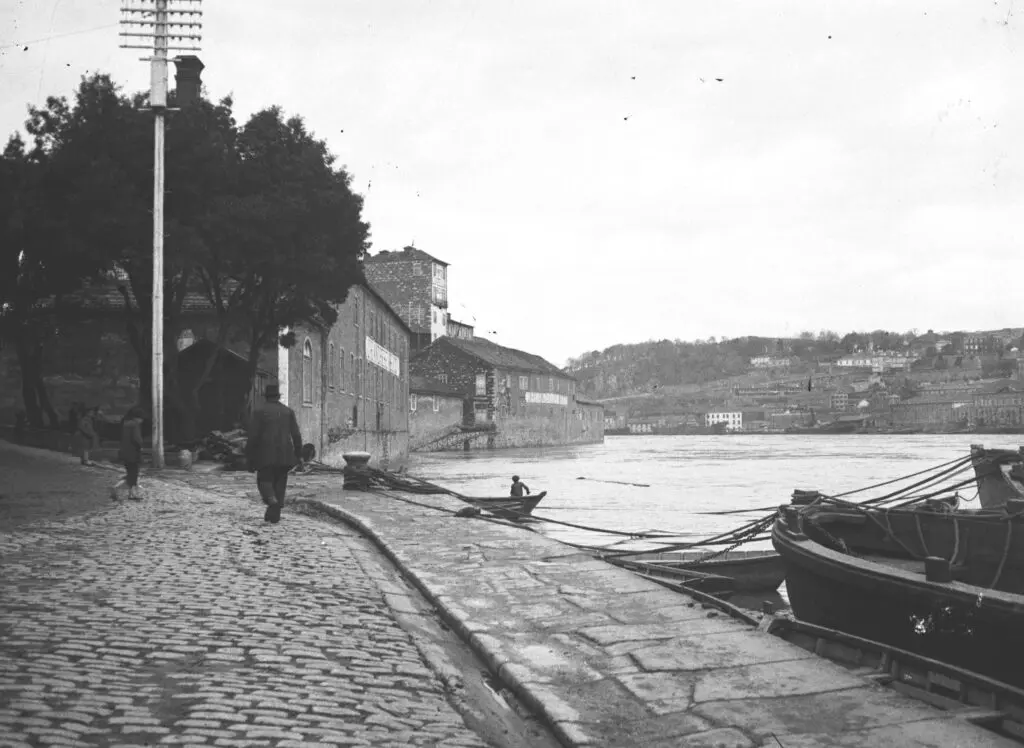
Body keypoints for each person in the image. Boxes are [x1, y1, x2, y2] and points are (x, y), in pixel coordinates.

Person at [245, 383, 303, 524]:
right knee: (280, 482)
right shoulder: (288, 411)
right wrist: (298, 454)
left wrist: (249, 456)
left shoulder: (259, 411)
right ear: (278, 397)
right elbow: (296, 435)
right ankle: (274, 513)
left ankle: (272, 502)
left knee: (264, 481)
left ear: (266, 397)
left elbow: (253, 436)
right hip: (285, 454)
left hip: (264, 454)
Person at [112, 406, 145, 500]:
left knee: (130, 472)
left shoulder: (125, 424)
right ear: (137, 417)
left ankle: (132, 494)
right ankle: (116, 487)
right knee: (133, 475)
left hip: (124, 452)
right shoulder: (135, 425)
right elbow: (137, 439)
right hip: (133, 453)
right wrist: (141, 446)